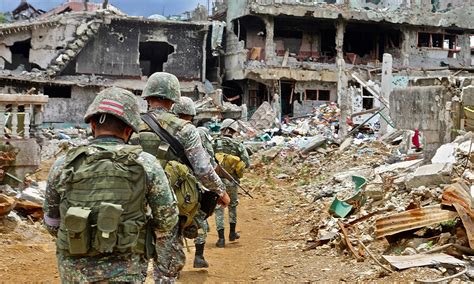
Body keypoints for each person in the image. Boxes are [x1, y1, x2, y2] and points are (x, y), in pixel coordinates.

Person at [43, 87, 179, 283]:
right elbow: (167, 219)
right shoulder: (146, 164)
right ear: (128, 130)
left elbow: (52, 222)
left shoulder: (63, 164)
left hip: (75, 271)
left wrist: (81, 236)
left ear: (92, 124)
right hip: (127, 268)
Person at [137, 72, 230, 280]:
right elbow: (203, 170)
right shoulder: (186, 129)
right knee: (166, 269)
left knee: (136, 266)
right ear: (173, 99)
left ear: (147, 96)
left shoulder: (131, 126)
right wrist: (220, 191)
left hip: (134, 205)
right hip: (170, 206)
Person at [172, 96, 216, 269]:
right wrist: (218, 189)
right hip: (191, 185)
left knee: (171, 225)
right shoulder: (194, 133)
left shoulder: (162, 129)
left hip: (168, 184)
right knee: (198, 216)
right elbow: (207, 162)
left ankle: (174, 262)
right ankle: (199, 256)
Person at [213, 118, 250, 248]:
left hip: (216, 181)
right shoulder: (238, 145)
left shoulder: (214, 143)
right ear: (234, 130)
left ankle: (221, 239)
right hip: (232, 181)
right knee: (232, 205)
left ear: (222, 129)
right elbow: (247, 163)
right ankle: (232, 233)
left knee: (218, 208)